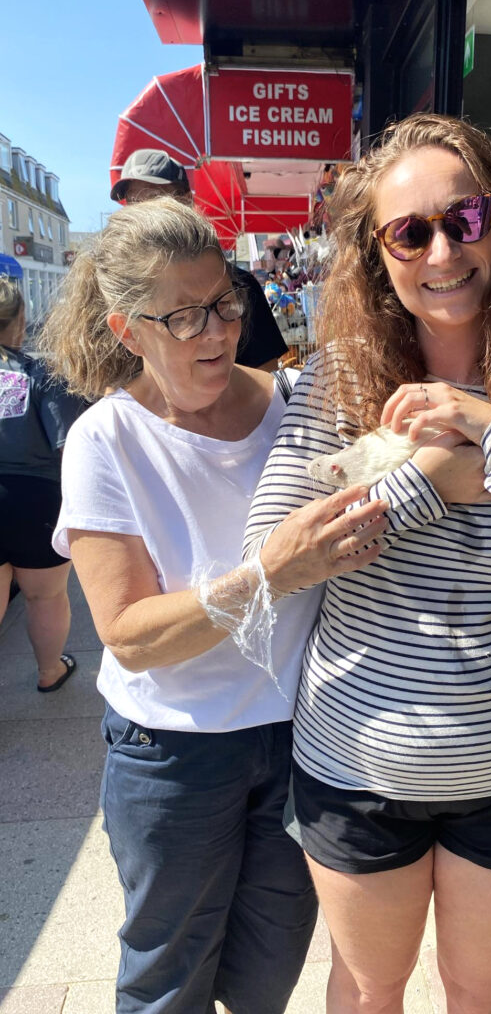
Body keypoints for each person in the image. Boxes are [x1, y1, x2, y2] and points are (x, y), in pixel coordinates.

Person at [242, 113, 491, 1014]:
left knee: (484, 992)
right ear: (380, 257)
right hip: (356, 767)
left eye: (466, 219)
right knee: (371, 990)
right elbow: (274, 559)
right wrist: (434, 479)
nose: (443, 249)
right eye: (410, 231)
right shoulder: (333, 383)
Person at [39, 198, 388, 1014]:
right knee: (168, 980)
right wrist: (267, 574)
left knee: (267, 975)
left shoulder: (300, 406)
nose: (217, 332)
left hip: (304, 741)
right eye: (185, 316)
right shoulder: (106, 440)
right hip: (173, 752)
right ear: (129, 331)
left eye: (225, 302)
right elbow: (128, 637)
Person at [110, 148, 288, 371]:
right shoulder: (121, 298)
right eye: (136, 203)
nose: (146, 213)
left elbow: (268, 379)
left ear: (186, 200)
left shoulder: (237, 285)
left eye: (156, 200)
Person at [0, 277, 84, 691]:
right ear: (20, 320)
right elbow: (69, 442)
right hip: (35, 499)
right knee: (45, 597)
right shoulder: (40, 372)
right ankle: (50, 671)